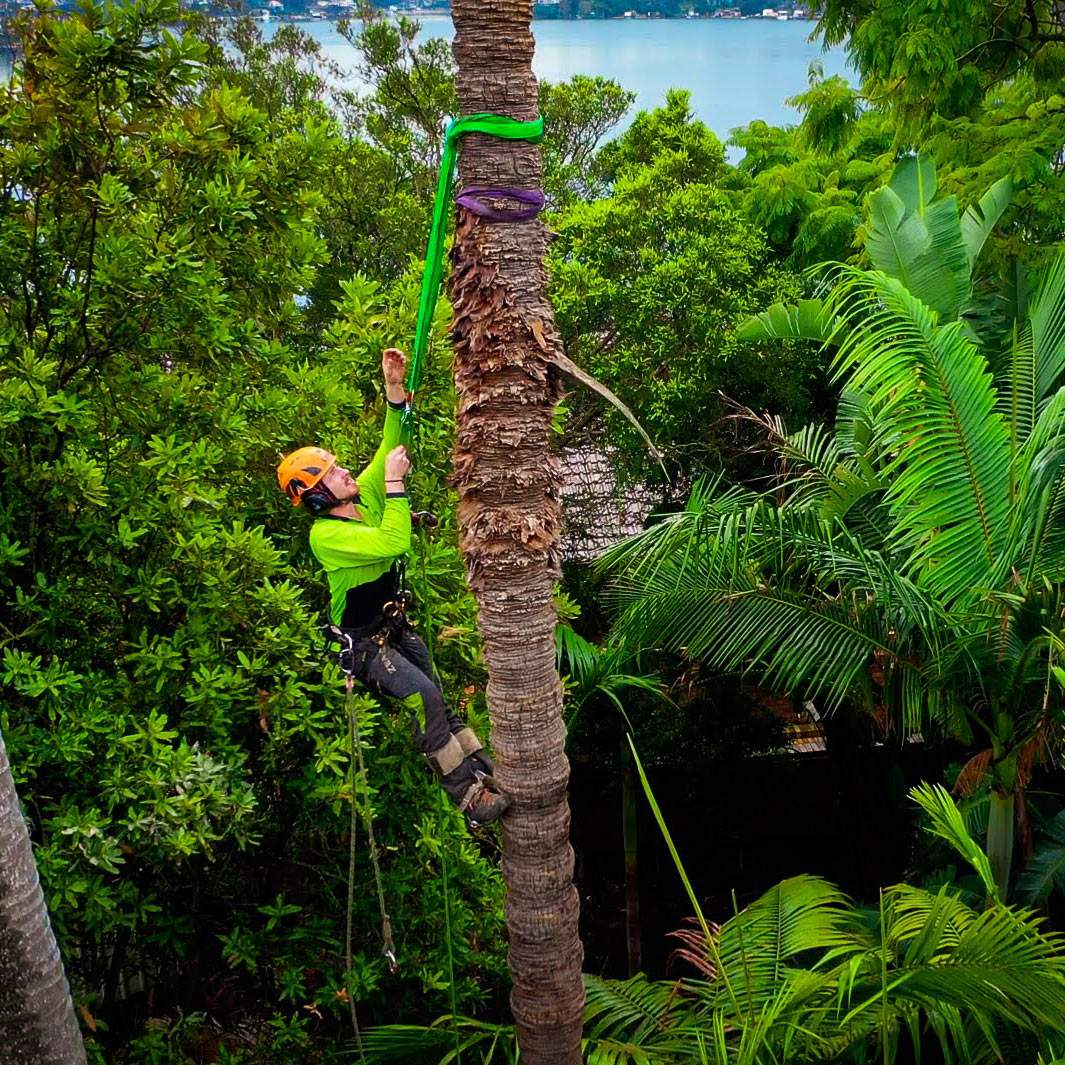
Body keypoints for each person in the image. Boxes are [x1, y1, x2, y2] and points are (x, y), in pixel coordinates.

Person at [276, 348, 511, 828]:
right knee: (422, 698)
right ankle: (467, 796)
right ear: (320, 495)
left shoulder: (361, 495)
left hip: (392, 625)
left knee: (437, 695)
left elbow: (392, 440)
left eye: (340, 468)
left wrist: (393, 387)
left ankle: (479, 766)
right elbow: (393, 541)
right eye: (334, 474)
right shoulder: (328, 536)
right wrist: (396, 487)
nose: (346, 473)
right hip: (362, 644)